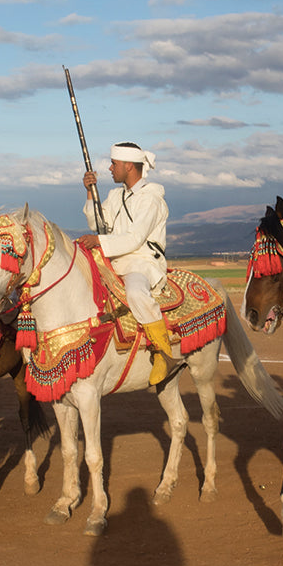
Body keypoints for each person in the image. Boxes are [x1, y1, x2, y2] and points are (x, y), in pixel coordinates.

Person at [78, 142, 174, 385]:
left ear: (129, 165)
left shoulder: (151, 199)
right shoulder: (115, 195)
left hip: (141, 262)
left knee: (136, 291)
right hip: (114, 259)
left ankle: (162, 350)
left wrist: (99, 240)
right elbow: (98, 225)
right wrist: (91, 193)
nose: (110, 168)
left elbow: (134, 238)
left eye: (114, 164)